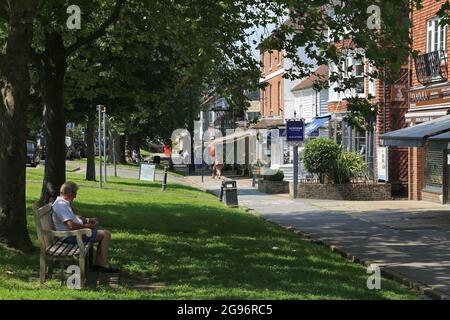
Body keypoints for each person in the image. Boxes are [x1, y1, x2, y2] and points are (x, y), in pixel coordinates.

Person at [52, 182, 119, 273]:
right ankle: (102, 264)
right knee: (105, 234)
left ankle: (100, 263)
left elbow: (73, 217)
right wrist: (86, 227)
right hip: (69, 236)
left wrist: (87, 220)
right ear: (69, 193)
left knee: (103, 233)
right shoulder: (61, 206)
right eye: (74, 193)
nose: (75, 197)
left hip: (72, 234)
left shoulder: (63, 203)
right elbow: (71, 225)